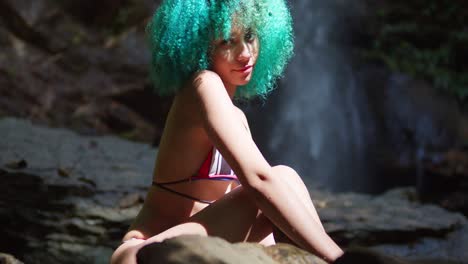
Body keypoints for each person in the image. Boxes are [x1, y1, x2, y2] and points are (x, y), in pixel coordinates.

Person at [111, 0, 344, 263]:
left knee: (283, 186)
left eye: (249, 36)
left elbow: (259, 216)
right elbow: (261, 182)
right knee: (283, 178)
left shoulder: (236, 117)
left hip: (203, 248)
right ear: (199, 46)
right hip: (143, 253)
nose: (245, 53)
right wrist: (340, 258)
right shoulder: (203, 84)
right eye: (226, 41)